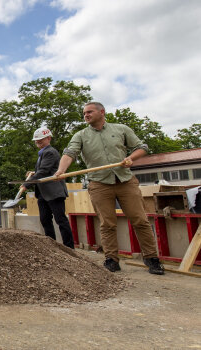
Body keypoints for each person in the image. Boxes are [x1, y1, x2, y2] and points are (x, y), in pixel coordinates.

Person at [55, 102, 164, 275]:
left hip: (125, 181)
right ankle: (111, 259)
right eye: (84, 113)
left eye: (89, 112)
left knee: (140, 221)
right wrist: (61, 170)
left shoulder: (121, 129)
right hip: (99, 184)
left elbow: (142, 147)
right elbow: (70, 153)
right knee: (107, 224)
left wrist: (131, 158)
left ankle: (152, 259)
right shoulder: (81, 135)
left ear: (102, 112)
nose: (86, 115)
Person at [21, 127, 75, 249]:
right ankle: (52, 246)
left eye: (40, 140)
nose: (38, 142)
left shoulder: (50, 152)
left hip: (54, 192)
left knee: (60, 220)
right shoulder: (42, 153)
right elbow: (44, 170)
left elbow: (44, 171)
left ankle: (69, 247)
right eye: (36, 141)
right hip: (43, 193)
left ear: (48, 138)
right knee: (45, 220)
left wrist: (26, 184)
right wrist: (34, 173)